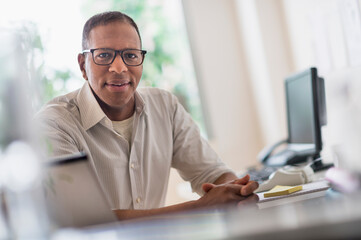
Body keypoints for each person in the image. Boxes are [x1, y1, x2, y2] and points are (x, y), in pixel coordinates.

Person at [36, 11, 258, 220]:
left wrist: (236, 190)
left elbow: (211, 173)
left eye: (130, 55)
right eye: (104, 55)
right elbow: (84, 219)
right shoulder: (55, 124)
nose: (119, 67)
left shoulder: (165, 106)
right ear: (83, 65)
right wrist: (200, 207)